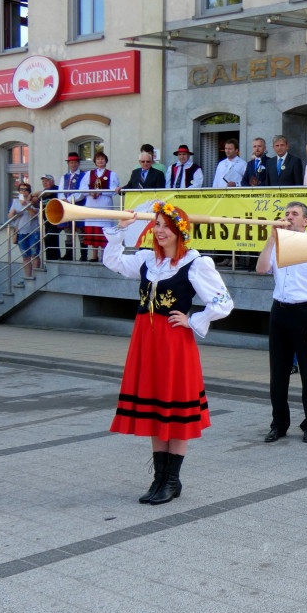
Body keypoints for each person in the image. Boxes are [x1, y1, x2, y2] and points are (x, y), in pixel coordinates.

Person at [106, 202, 233, 505]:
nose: (159, 231)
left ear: (179, 232)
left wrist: (193, 319)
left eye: (166, 226)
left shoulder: (195, 263)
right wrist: (121, 230)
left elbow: (223, 303)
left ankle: (172, 481)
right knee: (154, 409)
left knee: (174, 411)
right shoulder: (148, 259)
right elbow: (112, 260)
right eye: (157, 225)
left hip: (174, 344)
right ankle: (158, 479)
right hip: (146, 342)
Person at [255, 202, 307, 444]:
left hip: (305, 312)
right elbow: (261, 269)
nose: (289, 217)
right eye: (286, 213)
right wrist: (270, 239)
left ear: (305, 221)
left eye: (294, 214)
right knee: (278, 373)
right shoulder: (277, 244)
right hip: (279, 311)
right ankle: (279, 424)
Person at [78, 151, 119, 262]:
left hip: (104, 205)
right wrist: (90, 193)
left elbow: (113, 190)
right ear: (95, 161)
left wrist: (100, 192)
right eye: (98, 159)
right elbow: (82, 188)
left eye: (102, 159)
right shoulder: (89, 174)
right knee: (93, 230)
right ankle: (94, 255)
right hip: (92, 205)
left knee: (103, 231)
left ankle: (103, 255)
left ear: (106, 161)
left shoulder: (111, 174)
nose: (100, 161)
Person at [7, 182, 40, 279]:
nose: (23, 191)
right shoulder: (16, 201)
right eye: (21, 189)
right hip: (21, 231)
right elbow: (10, 215)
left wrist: (26, 205)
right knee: (25, 256)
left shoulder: (34, 201)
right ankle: (28, 277)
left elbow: (34, 215)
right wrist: (13, 214)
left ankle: (36, 277)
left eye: (25, 189)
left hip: (33, 231)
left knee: (34, 254)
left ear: (29, 191)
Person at [59, 152, 86, 261]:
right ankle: (68, 254)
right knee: (68, 231)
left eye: (75, 162)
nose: (73, 164)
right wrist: (63, 200)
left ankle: (83, 255)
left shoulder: (83, 175)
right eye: (71, 163)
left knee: (80, 231)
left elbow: (82, 193)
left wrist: (69, 200)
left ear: (78, 163)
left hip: (78, 206)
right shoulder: (64, 177)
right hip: (66, 207)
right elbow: (60, 191)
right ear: (68, 164)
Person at [32, 174, 62, 261]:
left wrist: (35, 194)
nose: (45, 183)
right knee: (49, 239)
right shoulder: (43, 192)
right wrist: (33, 199)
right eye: (43, 181)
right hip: (46, 220)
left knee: (50, 237)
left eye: (47, 181)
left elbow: (48, 193)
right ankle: (50, 259)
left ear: (52, 182)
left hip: (56, 219)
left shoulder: (55, 189)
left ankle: (54, 259)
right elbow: (36, 204)